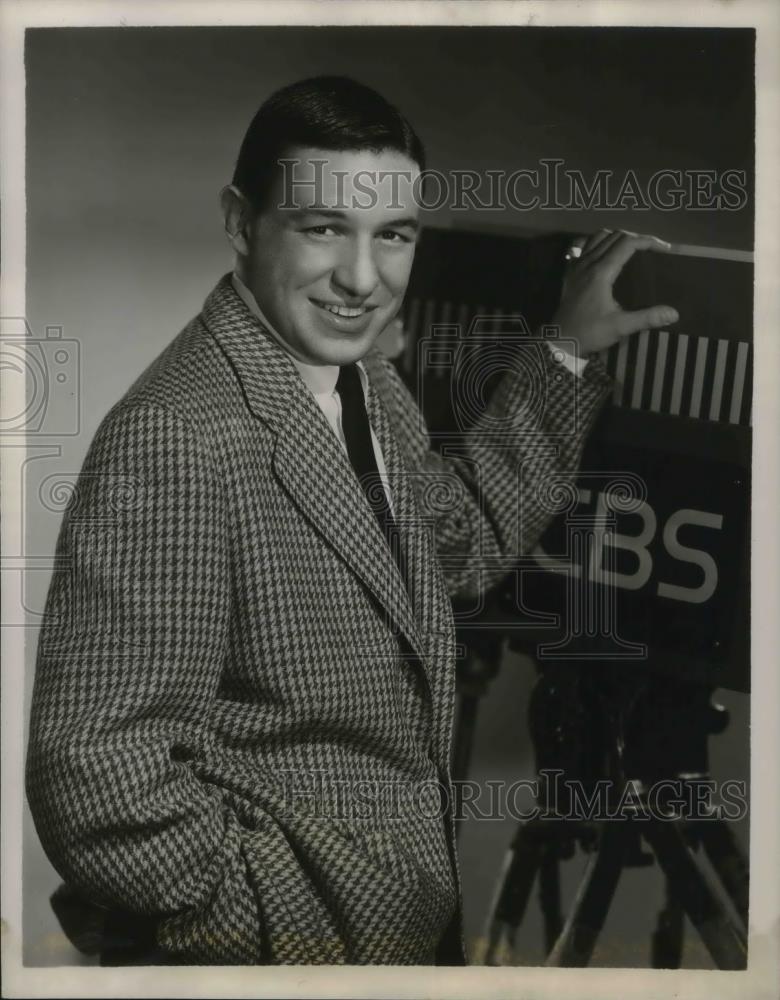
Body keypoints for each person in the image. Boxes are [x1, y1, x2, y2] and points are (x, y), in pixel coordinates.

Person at [25, 76, 678, 967]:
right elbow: (95, 767)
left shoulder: (359, 385)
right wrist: (274, 922)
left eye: (393, 236)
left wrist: (563, 352)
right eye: (323, 227)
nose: (363, 280)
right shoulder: (176, 436)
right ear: (240, 221)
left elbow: (458, 539)